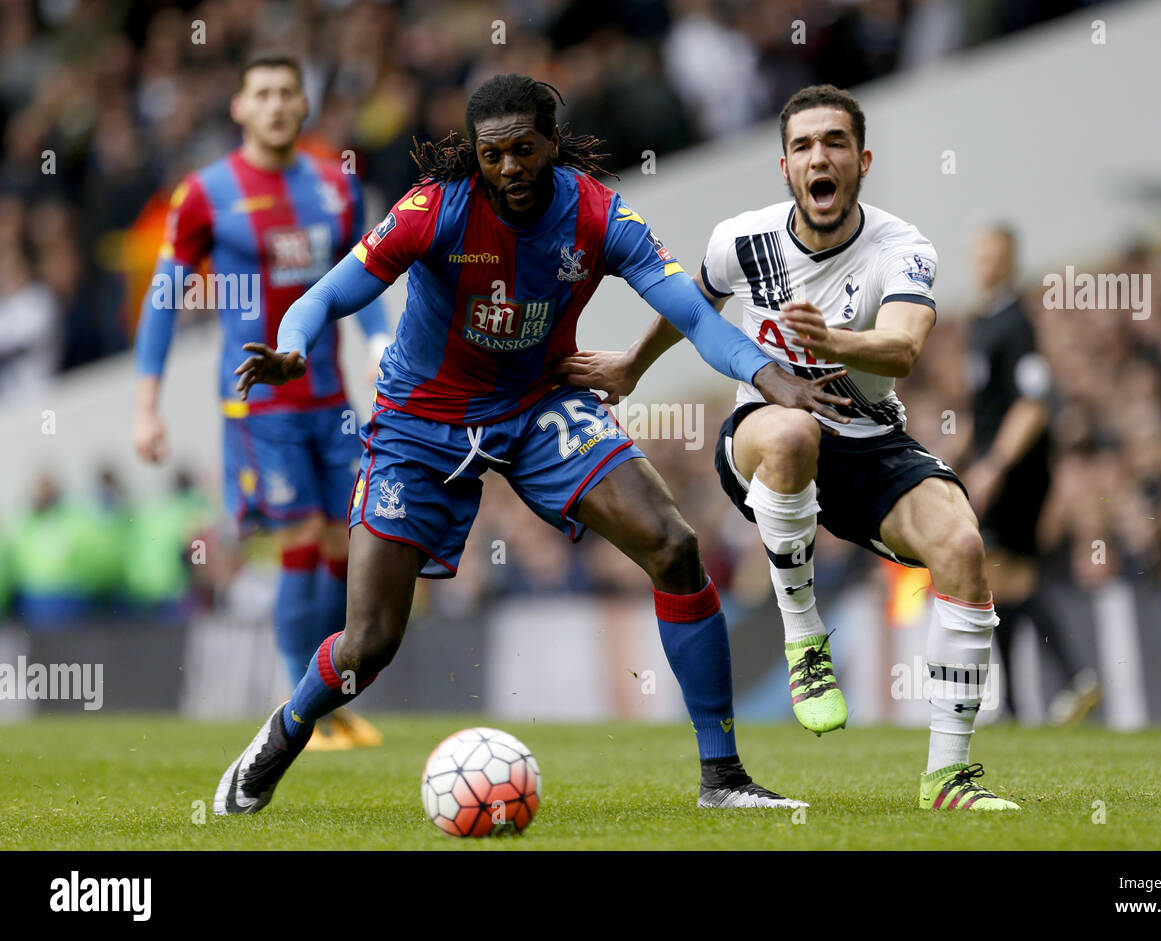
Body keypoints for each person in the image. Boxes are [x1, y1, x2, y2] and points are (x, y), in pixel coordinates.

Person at [214, 74, 844, 816]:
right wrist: (292, 346)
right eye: (493, 154)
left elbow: (699, 319)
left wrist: (776, 379)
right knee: (369, 642)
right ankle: (282, 735)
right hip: (421, 421)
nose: (509, 167)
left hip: (538, 405)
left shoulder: (599, 217)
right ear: (475, 155)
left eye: (523, 149)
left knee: (673, 543)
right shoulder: (433, 210)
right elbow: (326, 294)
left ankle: (723, 777)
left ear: (551, 142)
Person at [561, 84, 1021, 809]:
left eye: (835, 142)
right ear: (785, 167)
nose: (820, 157)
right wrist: (629, 367)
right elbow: (693, 304)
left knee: (963, 548)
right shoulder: (741, 239)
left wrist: (832, 339)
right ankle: (805, 639)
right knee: (794, 428)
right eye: (804, 145)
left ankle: (949, 777)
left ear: (861, 160)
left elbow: (902, 348)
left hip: (872, 442)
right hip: (766, 436)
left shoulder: (903, 249)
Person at [134, 53, 389, 750]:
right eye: (263, 93)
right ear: (239, 108)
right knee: (302, 538)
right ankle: (297, 706)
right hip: (257, 404)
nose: (277, 104)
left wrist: (378, 344)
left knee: (347, 542)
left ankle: (327, 701)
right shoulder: (205, 193)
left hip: (331, 398)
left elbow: (360, 283)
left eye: (288, 92)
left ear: (303, 107)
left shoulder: (337, 188)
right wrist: (146, 403)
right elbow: (163, 300)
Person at [963, 224, 1098, 724]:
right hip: (1001, 463)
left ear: (1011, 259)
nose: (984, 261)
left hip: (1019, 469)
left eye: (994, 252)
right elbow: (992, 406)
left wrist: (995, 465)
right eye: (979, 251)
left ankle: (1071, 679)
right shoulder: (984, 321)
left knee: (1008, 576)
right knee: (1000, 581)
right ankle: (1025, 700)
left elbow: (1034, 404)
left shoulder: (1014, 323)